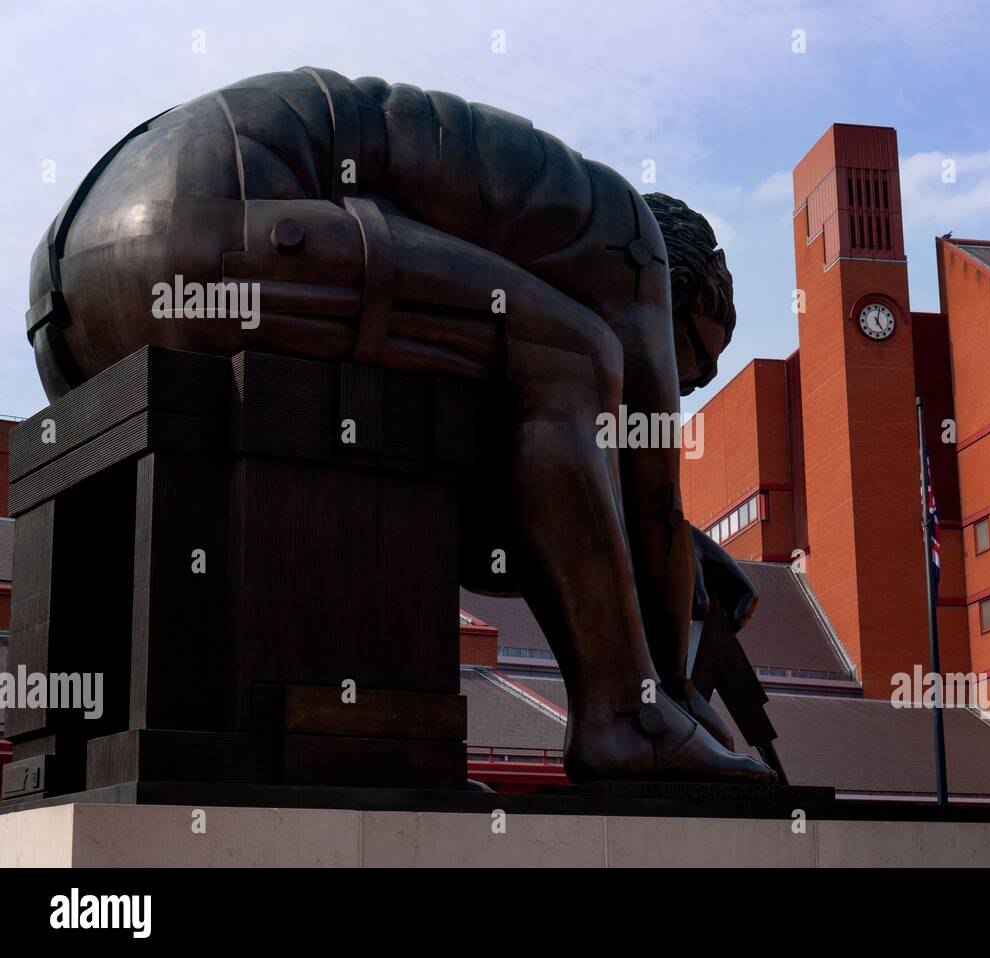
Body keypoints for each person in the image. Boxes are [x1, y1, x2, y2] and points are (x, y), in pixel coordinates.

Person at [27, 67, 776, 784]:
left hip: (75, 295)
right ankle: (629, 722)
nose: (685, 388)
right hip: (203, 227)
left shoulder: (540, 220)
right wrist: (673, 691)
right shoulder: (634, 239)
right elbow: (653, 507)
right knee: (575, 358)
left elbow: (532, 505)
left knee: (541, 357)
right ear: (682, 290)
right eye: (695, 361)